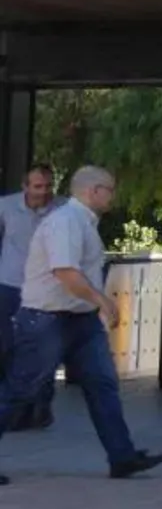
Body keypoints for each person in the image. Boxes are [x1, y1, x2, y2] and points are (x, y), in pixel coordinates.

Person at [0, 166, 162, 486]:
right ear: (93, 191)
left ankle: (122, 456)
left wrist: (93, 305)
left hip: (81, 321)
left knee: (102, 384)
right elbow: (64, 270)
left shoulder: (83, 222)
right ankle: (122, 454)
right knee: (21, 390)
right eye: (110, 190)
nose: (112, 196)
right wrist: (102, 300)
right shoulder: (66, 223)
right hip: (46, 320)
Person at [0, 164, 62, 432]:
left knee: (43, 349)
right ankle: (13, 411)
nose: (43, 192)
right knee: (8, 347)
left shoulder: (63, 209)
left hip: (46, 289)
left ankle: (40, 408)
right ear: (25, 186)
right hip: (10, 286)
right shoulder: (5, 207)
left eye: (48, 186)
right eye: (38, 186)